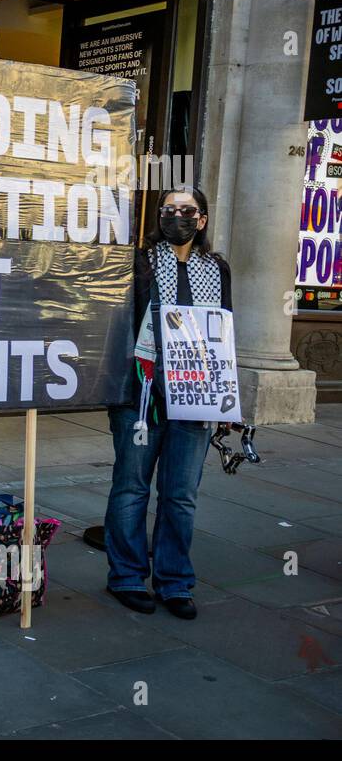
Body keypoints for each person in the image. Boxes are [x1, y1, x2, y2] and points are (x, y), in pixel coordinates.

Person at [103, 185, 230, 621]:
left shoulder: (217, 268)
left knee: (180, 494)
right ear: (159, 216)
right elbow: (116, 325)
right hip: (141, 393)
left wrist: (225, 400)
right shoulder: (137, 262)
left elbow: (223, 331)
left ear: (203, 219)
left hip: (196, 397)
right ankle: (127, 576)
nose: (178, 216)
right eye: (169, 209)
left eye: (187, 210)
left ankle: (175, 581)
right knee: (132, 485)